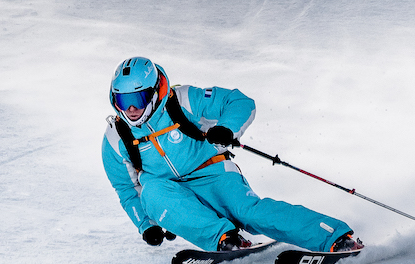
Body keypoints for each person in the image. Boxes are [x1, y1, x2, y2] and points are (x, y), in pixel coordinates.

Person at [101, 56, 363, 253]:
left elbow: (239, 102)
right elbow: (126, 188)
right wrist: (146, 224)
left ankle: (334, 238)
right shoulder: (116, 138)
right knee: (151, 192)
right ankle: (226, 239)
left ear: (155, 90)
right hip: (169, 191)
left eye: (139, 98)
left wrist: (227, 129)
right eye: (124, 101)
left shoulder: (183, 100)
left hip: (212, 172)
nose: (132, 109)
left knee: (249, 213)